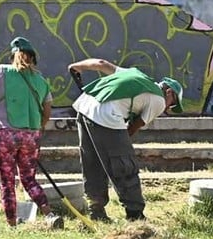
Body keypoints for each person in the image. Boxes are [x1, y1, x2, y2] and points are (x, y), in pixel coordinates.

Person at [66, 59, 184, 222]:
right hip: (107, 115)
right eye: (172, 105)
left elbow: (101, 63)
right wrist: (117, 144)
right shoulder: (158, 100)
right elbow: (134, 127)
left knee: (92, 162)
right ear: (169, 92)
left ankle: (96, 211)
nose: (167, 109)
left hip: (86, 106)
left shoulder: (133, 73)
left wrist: (77, 67)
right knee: (124, 164)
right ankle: (135, 214)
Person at [0, 37, 63, 229]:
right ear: (32, 58)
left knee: (7, 181)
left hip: (5, 133)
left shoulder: (1, 71)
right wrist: (36, 130)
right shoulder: (40, 81)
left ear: (13, 55)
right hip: (31, 136)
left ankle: (12, 224)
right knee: (29, 179)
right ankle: (49, 214)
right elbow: (47, 113)